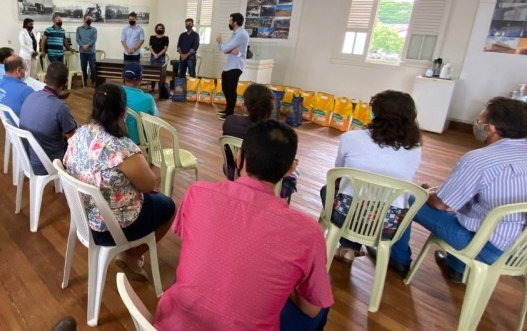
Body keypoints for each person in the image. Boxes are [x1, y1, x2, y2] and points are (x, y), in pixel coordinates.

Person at [153, 120, 333, 331]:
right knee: (320, 306)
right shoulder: (308, 231)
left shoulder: (198, 192)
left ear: (239, 158)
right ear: (291, 169)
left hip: (172, 323)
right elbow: (311, 308)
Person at [63, 82, 175, 280]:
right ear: (123, 112)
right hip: (112, 228)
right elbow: (149, 185)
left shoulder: (78, 134)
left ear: (95, 108)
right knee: (168, 206)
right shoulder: (121, 147)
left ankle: (131, 255)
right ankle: (132, 254)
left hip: (84, 217)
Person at [409, 97, 527, 283]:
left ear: (492, 128)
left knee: (408, 199)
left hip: (484, 247)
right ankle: (456, 268)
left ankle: (398, 259)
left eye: (480, 121)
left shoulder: (479, 159)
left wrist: (424, 191)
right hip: (518, 247)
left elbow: (441, 204)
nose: (477, 125)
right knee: (474, 212)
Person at [322, 90, 422, 272]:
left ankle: (348, 245)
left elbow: (338, 174)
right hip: (387, 224)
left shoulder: (350, 138)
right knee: (406, 202)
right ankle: (401, 258)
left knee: (327, 190)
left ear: (376, 114)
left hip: (346, 217)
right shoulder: (414, 149)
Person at [20, 62, 77, 175]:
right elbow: (73, 139)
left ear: (45, 79)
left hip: (27, 157)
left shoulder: (31, 96)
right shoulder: (60, 107)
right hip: (47, 163)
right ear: (65, 84)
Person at [222, 83, 275, 179]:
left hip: (233, 170)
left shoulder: (230, 121)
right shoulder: (272, 131)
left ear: (243, 103)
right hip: (262, 178)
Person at [216, 13, 249, 119]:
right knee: (225, 88)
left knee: (231, 89)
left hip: (236, 66)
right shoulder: (235, 33)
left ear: (235, 22)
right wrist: (226, 48)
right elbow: (226, 50)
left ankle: (230, 113)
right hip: (229, 65)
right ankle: (227, 109)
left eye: (230, 20)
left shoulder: (241, 34)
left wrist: (221, 43)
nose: (229, 22)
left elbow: (225, 48)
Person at [122, 63, 158, 146]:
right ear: (141, 78)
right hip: (139, 139)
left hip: (120, 136)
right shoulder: (148, 99)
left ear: (122, 77)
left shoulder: (115, 94)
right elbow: (155, 119)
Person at [76, 13, 98, 86]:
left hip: (91, 52)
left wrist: (87, 45)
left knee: (93, 67)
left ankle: (94, 81)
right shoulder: (79, 29)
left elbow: (94, 39)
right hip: (83, 52)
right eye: (88, 19)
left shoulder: (94, 29)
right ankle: (84, 81)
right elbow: (78, 39)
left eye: (90, 19)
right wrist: (83, 46)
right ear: (84, 19)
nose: (89, 20)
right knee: (83, 67)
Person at [148, 23, 169, 92]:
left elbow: (165, 48)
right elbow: (150, 47)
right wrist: (154, 54)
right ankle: (152, 87)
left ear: (163, 29)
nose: (159, 29)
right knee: (152, 72)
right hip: (153, 56)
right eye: (158, 28)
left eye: (161, 28)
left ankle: (160, 88)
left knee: (161, 73)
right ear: (156, 29)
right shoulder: (152, 37)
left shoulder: (166, 38)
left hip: (161, 57)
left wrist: (158, 55)